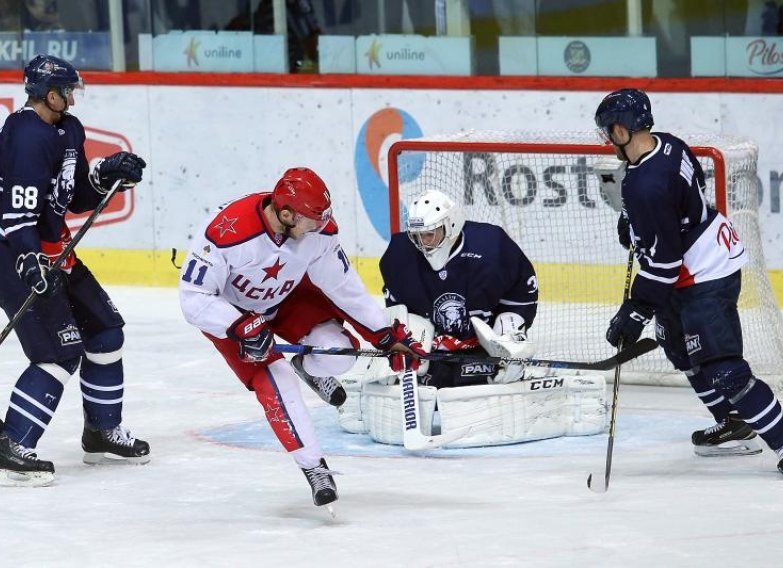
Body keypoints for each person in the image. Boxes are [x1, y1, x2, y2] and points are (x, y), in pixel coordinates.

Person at [178, 167, 425, 509]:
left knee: (340, 353)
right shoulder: (226, 233)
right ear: (285, 214)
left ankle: (310, 368)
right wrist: (237, 326)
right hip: (236, 319)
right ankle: (314, 467)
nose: (321, 226)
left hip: (287, 299)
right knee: (279, 383)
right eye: (312, 219)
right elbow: (194, 298)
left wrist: (385, 335)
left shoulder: (315, 232)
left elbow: (343, 286)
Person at [594, 88, 783, 479]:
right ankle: (735, 424)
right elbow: (683, 202)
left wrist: (634, 312)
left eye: (609, 131)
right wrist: (637, 225)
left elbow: (666, 263)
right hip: (695, 255)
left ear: (621, 130)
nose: (607, 139)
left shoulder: (644, 186)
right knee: (678, 347)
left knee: (725, 369)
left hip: (704, 272)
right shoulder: (669, 144)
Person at [0, 54, 150, 487]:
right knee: (57, 350)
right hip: (14, 252)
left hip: (55, 249)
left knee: (105, 333)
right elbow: (16, 214)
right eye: (69, 90)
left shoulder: (69, 129)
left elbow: (75, 196)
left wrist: (107, 174)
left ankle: (101, 432)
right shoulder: (26, 137)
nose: (74, 96)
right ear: (51, 94)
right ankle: (13, 443)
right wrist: (29, 261)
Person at [380, 189, 539, 388]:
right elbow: (396, 311)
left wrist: (513, 342)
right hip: (433, 345)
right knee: (406, 324)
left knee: (509, 324)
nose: (423, 243)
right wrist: (395, 346)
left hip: (483, 341)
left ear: (451, 226)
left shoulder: (492, 247)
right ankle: (409, 374)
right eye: (416, 236)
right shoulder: (398, 256)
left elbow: (522, 299)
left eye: (429, 234)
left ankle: (508, 372)